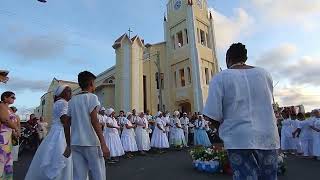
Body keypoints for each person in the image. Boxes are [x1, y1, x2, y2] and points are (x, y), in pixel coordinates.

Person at [203, 43, 280, 180]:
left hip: (238, 138)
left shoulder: (221, 77)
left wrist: (223, 131)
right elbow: (269, 103)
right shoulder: (264, 74)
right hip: (267, 136)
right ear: (245, 57)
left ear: (228, 59)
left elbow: (211, 114)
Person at [64, 71, 109, 180]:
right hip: (91, 143)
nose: (95, 86)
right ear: (91, 83)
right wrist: (103, 144)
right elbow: (94, 121)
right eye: (94, 83)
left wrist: (68, 144)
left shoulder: (72, 100)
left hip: (76, 143)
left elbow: (66, 124)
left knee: (79, 176)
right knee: (98, 173)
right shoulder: (92, 97)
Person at [25, 85, 73, 180]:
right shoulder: (63, 103)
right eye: (68, 91)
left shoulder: (58, 103)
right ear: (61, 93)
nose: (70, 93)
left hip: (55, 133)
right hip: (61, 134)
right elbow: (65, 121)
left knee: (52, 158)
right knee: (61, 160)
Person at [0, 91, 19, 179]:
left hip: (8, 136)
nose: (14, 99)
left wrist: (14, 131)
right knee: (1, 159)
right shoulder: (1, 106)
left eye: (14, 97)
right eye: (12, 97)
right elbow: (5, 120)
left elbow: (12, 121)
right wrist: (16, 128)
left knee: (7, 159)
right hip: (2, 136)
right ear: (5, 98)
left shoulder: (10, 109)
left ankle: (6, 178)